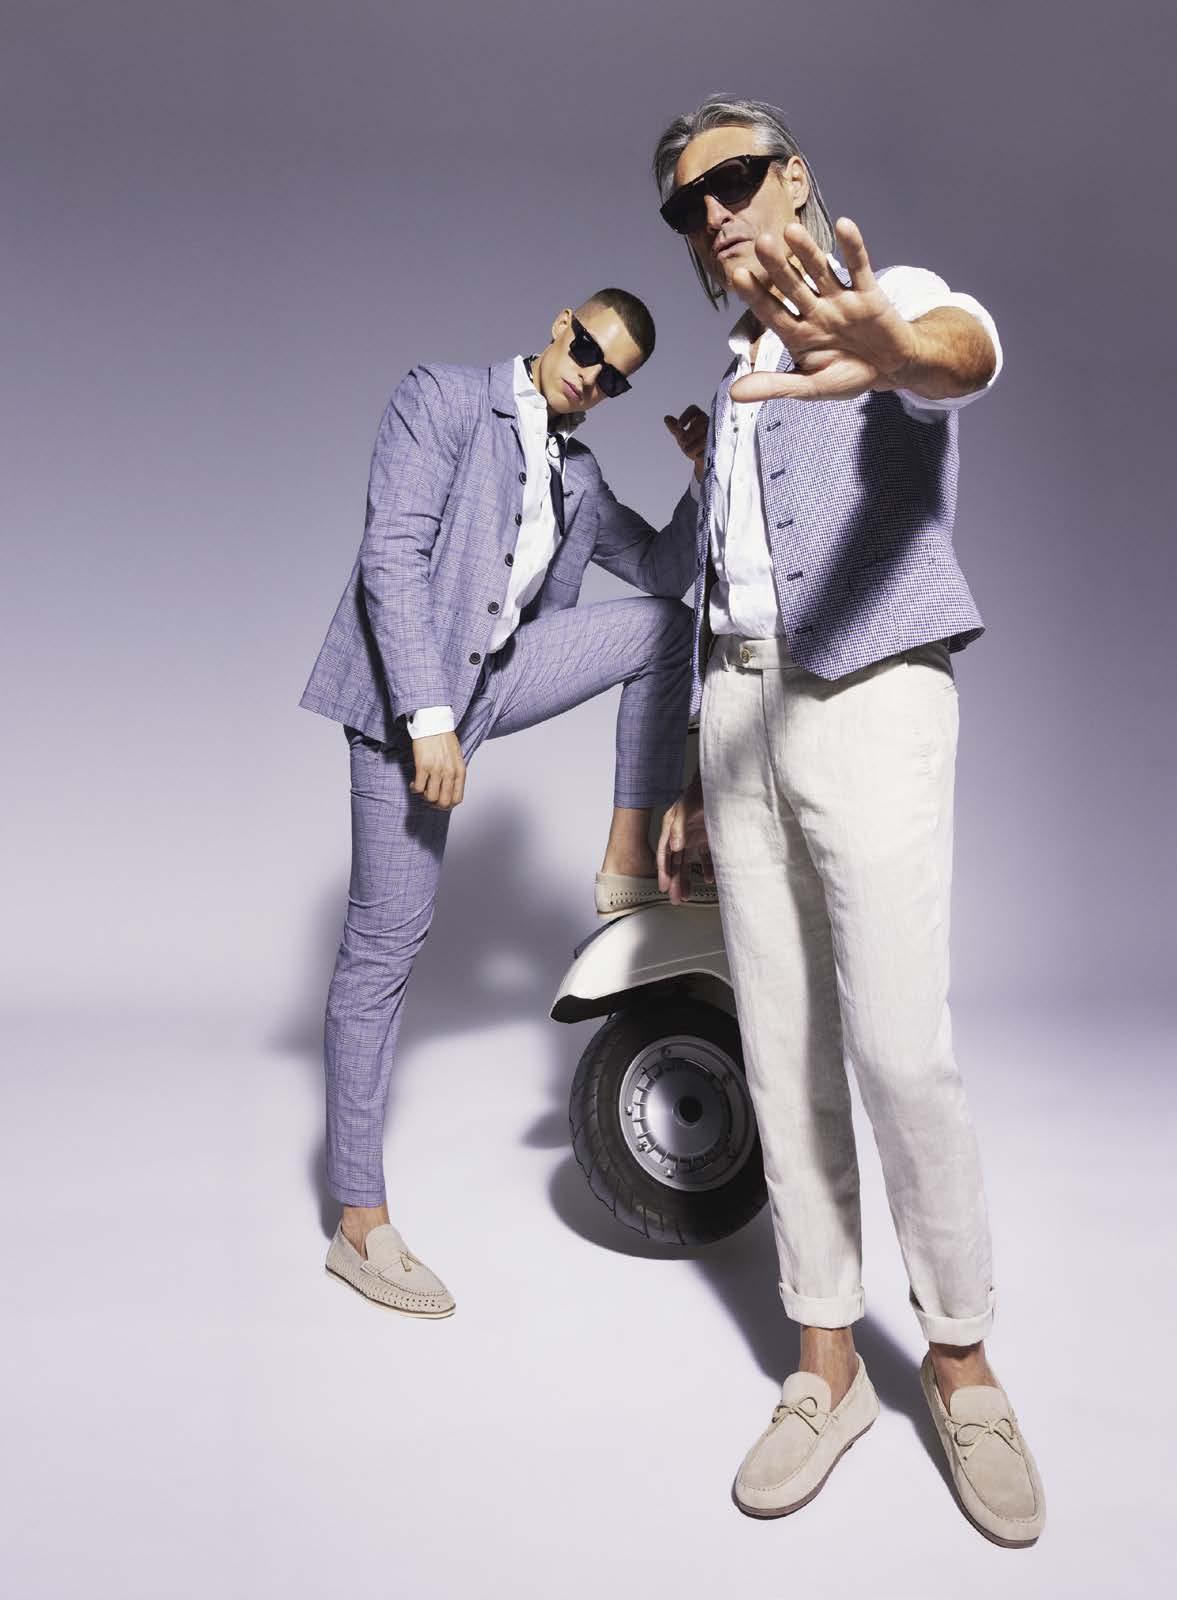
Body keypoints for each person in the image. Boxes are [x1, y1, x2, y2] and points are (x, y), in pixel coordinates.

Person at [652, 97, 1045, 1545]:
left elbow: (962, 351)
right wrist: (691, 776)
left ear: (795, 175)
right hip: (738, 716)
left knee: (897, 1048)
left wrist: (896, 350)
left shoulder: (890, 301)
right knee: (780, 1048)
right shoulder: (733, 380)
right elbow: (728, 590)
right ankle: (826, 1363)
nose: (713, 212)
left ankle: (960, 1360)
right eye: (687, 203)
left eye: (735, 178)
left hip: (870, 692)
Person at [299, 289, 709, 1316]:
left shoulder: (578, 472)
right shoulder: (439, 399)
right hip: (407, 700)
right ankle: (358, 1222)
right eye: (588, 350)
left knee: (662, 628)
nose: (591, 378)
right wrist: (426, 717)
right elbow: (390, 557)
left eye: (614, 379)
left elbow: (661, 570)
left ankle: (627, 858)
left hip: (500, 677)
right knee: (384, 949)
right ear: (562, 322)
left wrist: (703, 478)